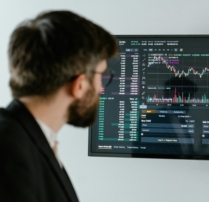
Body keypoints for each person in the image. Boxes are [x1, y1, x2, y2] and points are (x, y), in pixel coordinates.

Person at [0, 10, 119, 201]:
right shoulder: (10, 153)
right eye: (101, 76)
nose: (101, 89)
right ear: (79, 85)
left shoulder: (29, 139)